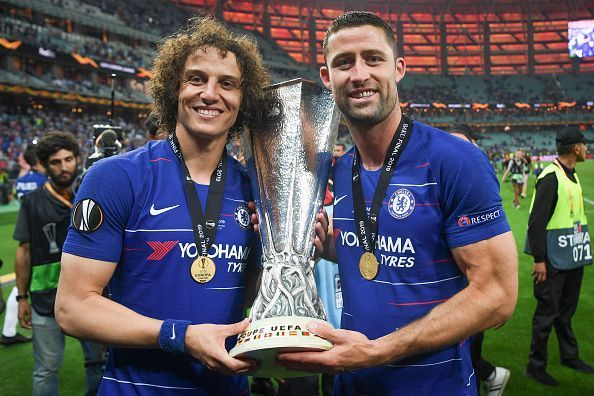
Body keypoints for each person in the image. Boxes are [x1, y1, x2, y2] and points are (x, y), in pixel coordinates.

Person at [276, 11, 518, 395]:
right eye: (343, 63)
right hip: (351, 385)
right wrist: (332, 247)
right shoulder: (339, 170)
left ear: (398, 69)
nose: (359, 75)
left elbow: (497, 295)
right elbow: (383, 253)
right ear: (327, 78)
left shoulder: (453, 160)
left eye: (373, 59)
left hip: (435, 386)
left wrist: (377, 351)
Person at [55, 16, 278, 394]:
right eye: (196, 78)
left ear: (244, 100)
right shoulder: (115, 178)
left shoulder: (258, 190)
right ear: (173, 88)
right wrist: (181, 336)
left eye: (227, 83)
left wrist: (290, 251)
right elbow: (73, 308)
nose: (210, 93)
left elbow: (252, 298)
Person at [13, 132, 105, 395]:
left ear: (78, 159)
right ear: (44, 164)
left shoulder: (92, 195)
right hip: (45, 299)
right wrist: (21, 297)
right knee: (46, 370)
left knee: (98, 365)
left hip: (90, 298)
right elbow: (24, 251)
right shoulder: (31, 203)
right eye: (56, 162)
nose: (64, 167)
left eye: (68, 159)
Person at [524, 127, 593, 386]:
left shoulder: (571, 175)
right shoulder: (551, 176)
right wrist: (539, 259)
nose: (586, 148)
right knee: (547, 314)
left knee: (566, 312)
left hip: (572, 255)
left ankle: (569, 355)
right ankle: (535, 365)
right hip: (553, 260)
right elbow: (536, 222)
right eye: (584, 145)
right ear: (576, 148)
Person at [448, 124, 510, 396]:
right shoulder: (441, 177)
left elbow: (491, 240)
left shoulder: (478, 180)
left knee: (466, 347)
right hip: (448, 285)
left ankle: (491, 375)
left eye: (463, 144)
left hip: (470, 286)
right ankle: (490, 375)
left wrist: (496, 295)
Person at [1, 145, 46, 346]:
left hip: (26, 230)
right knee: (29, 284)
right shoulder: (45, 180)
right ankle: (11, 331)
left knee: (22, 282)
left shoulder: (21, 181)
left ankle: (9, 331)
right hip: (44, 233)